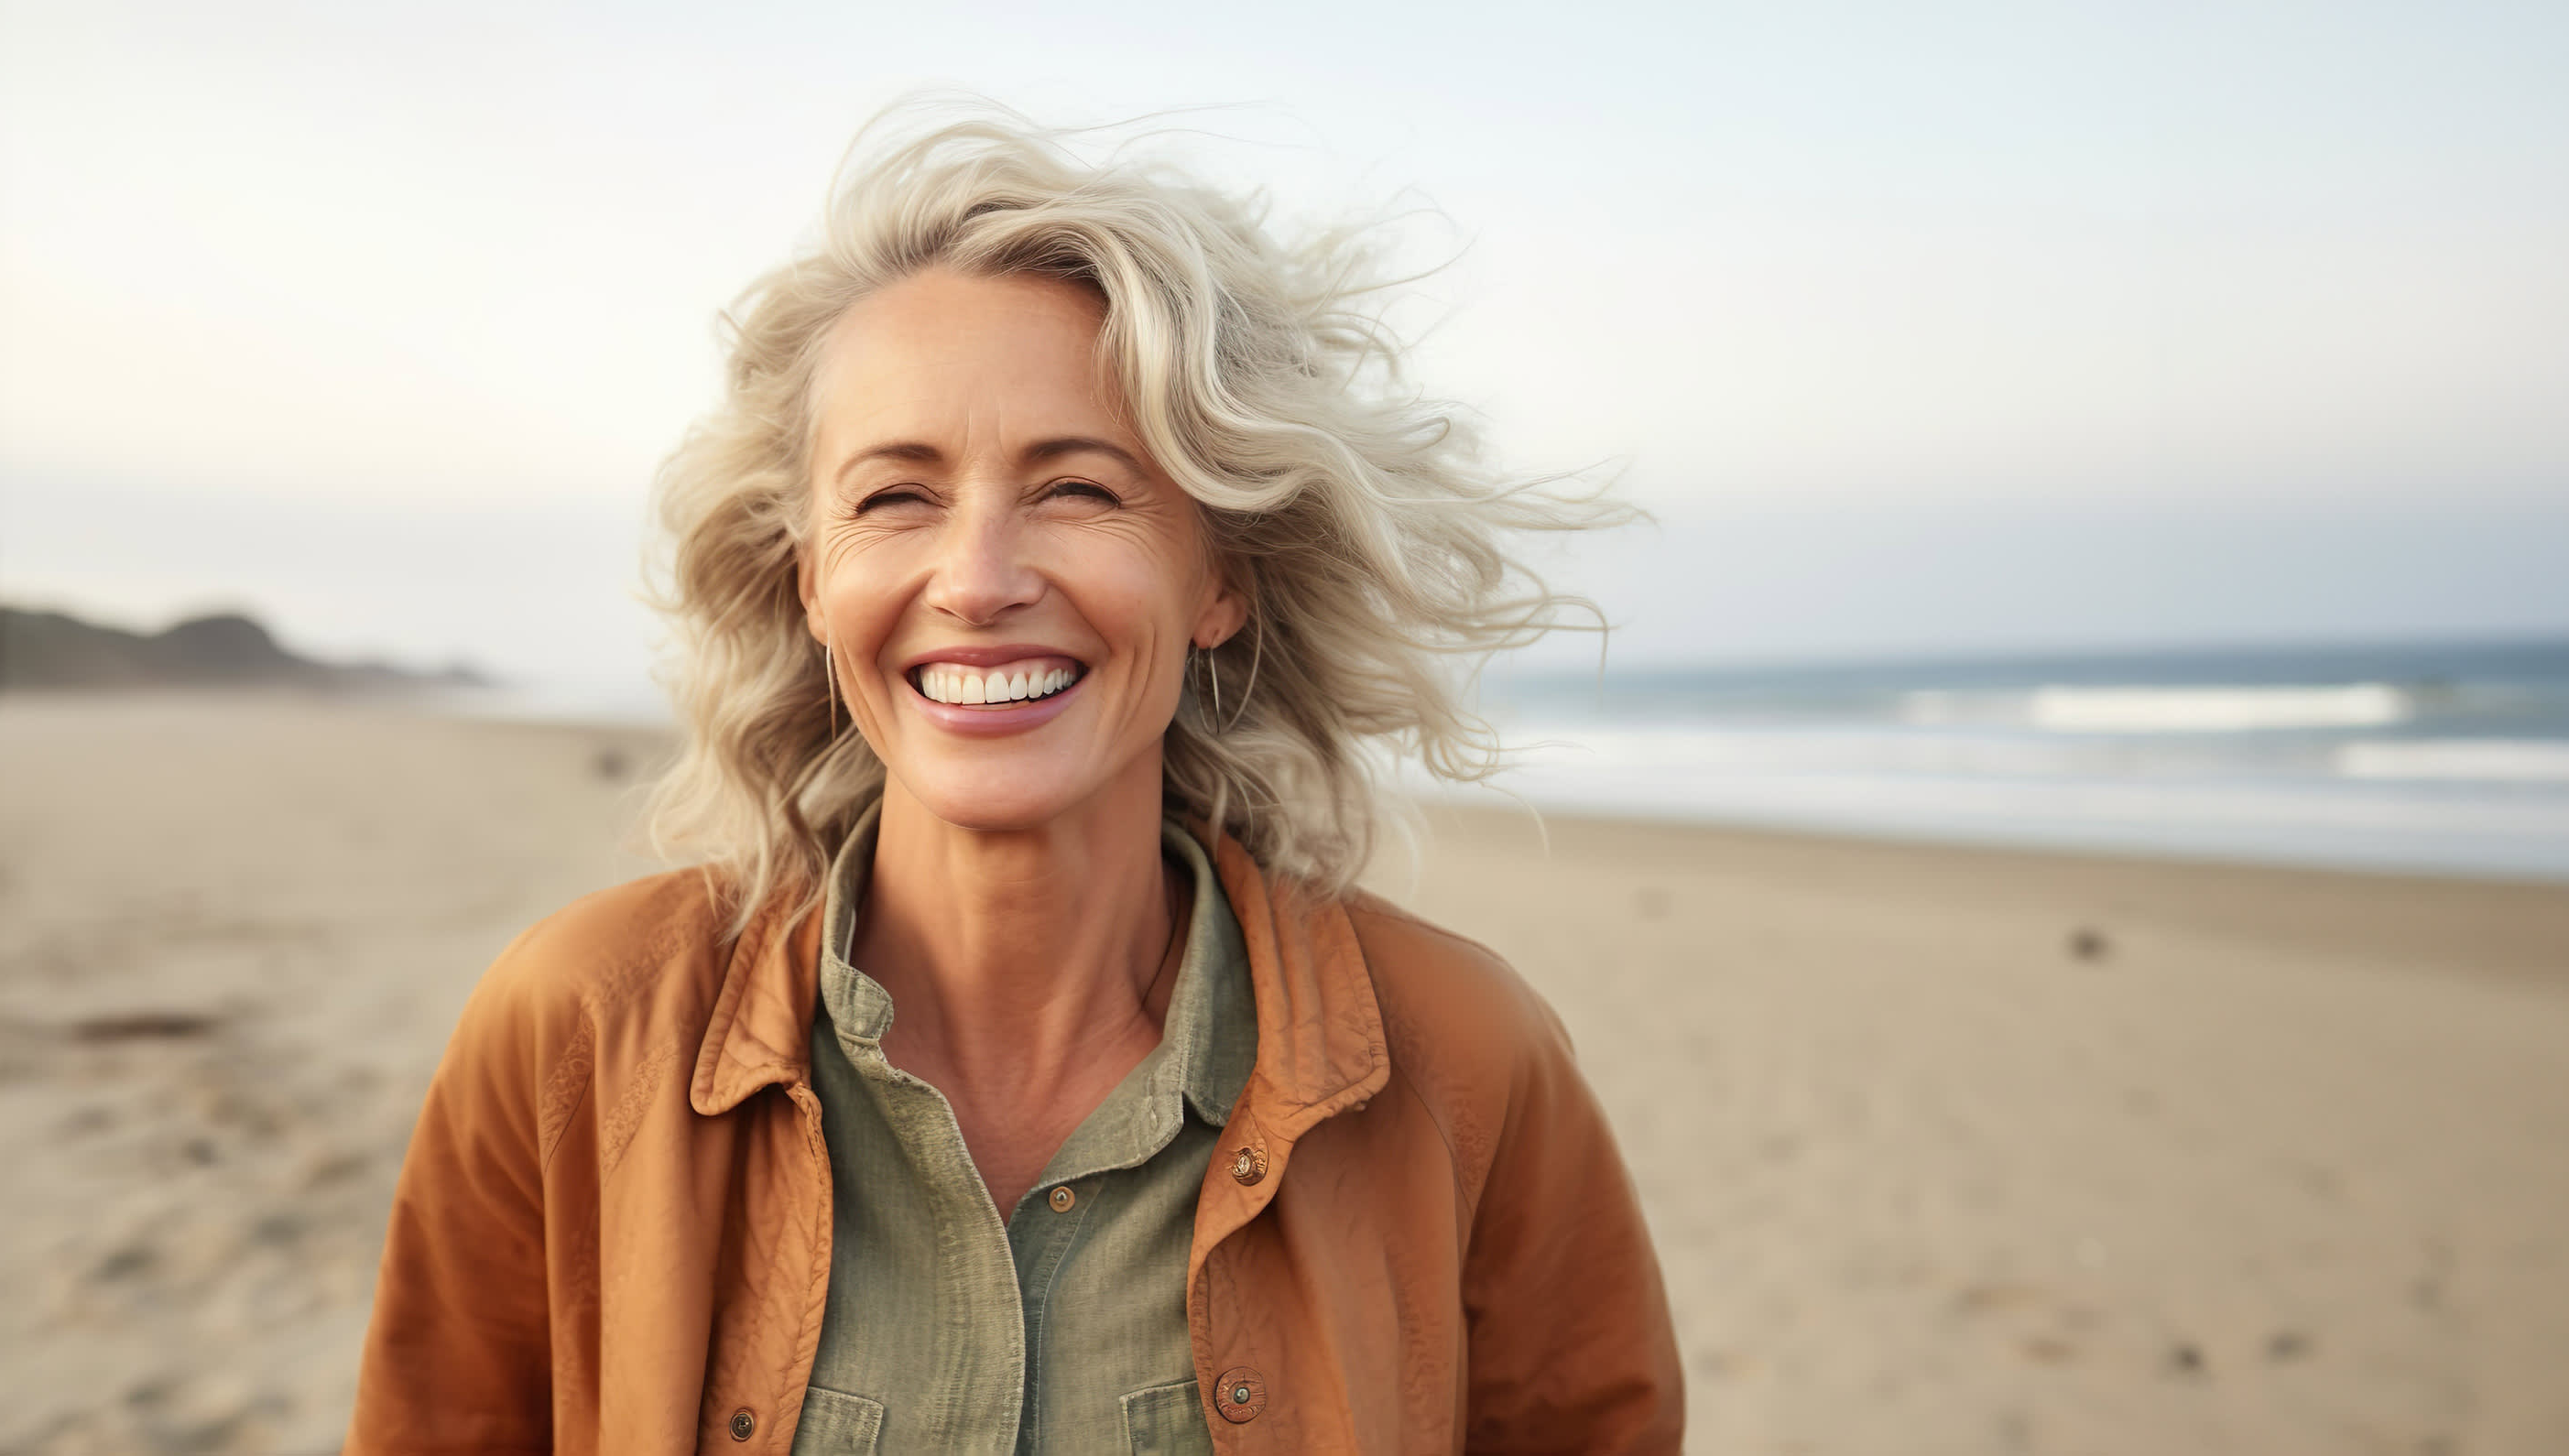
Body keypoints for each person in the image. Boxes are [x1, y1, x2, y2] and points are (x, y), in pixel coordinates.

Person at [344, 109, 1682, 1455]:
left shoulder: (1465, 1060)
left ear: (1220, 577)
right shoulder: (578, 1031)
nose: (978, 581)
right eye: (895, 500)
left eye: (1077, 490)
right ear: (811, 579)